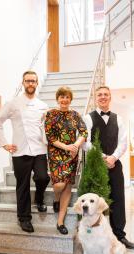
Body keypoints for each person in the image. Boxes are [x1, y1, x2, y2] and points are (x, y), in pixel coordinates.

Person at [0, 71, 50, 233]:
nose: (30, 84)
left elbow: (48, 128)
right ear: (23, 83)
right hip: (20, 151)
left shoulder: (43, 105)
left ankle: (39, 198)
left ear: (37, 83)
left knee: (43, 177)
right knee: (22, 185)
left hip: (39, 149)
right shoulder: (13, 103)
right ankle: (24, 218)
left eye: (33, 81)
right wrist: (4, 144)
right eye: (28, 81)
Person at [83, 86, 134, 250]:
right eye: (99, 94)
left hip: (114, 164)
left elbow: (123, 142)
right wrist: (102, 157)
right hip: (95, 165)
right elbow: (85, 142)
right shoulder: (87, 118)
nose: (103, 97)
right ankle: (94, 239)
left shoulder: (119, 119)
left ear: (110, 97)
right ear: (95, 97)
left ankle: (120, 237)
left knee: (118, 200)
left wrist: (113, 157)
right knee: (94, 203)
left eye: (106, 94)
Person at [45, 86, 88, 235]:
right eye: (62, 97)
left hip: (71, 154)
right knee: (59, 185)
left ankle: (60, 222)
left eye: (67, 97)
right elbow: (50, 137)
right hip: (56, 152)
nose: (64, 99)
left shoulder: (75, 115)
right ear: (57, 99)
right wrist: (66, 147)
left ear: (70, 99)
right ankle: (56, 198)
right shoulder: (50, 114)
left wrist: (75, 145)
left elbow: (84, 132)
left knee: (68, 186)